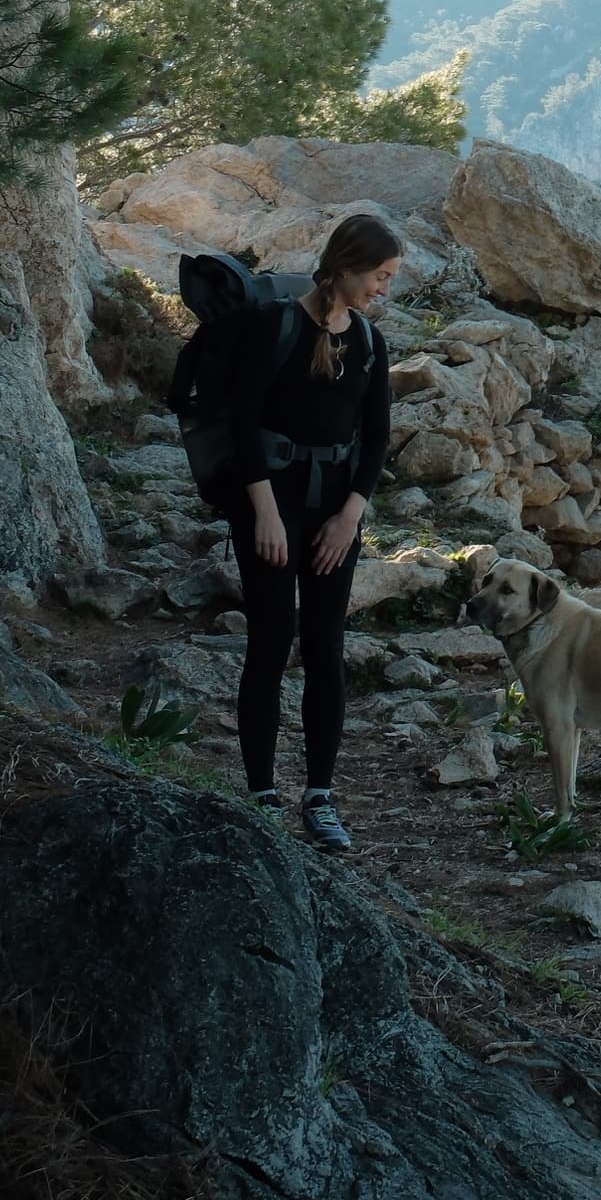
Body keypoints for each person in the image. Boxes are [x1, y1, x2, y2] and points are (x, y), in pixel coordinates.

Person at [203, 211, 400, 850]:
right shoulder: (276, 325)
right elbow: (243, 421)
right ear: (344, 266)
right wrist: (261, 512)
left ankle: (320, 797)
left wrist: (350, 517)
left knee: (324, 648)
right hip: (271, 498)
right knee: (270, 641)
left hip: (333, 510)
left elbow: (375, 438)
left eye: (389, 279)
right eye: (378, 276)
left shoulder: (368, 342)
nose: (382, 289)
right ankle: (262, 794)